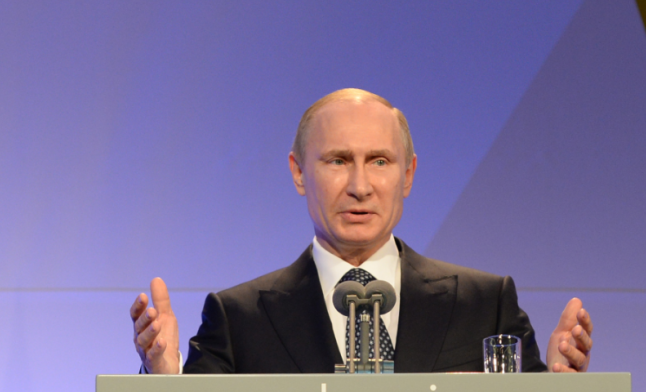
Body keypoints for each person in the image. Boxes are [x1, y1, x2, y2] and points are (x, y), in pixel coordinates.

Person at [130, 88, 593, 374]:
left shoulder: (485, 306)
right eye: (337, 160)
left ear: (408, 175)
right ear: (298, 172)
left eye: (379, 161)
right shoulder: (238, 319)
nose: (359, 186)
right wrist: (164, 383)